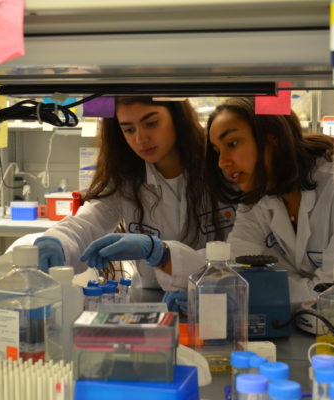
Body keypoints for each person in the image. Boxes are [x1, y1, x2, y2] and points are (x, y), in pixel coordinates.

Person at [202, 97, 334, 304]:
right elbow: (234, 263)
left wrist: (260, 288)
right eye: (218, 150)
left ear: (272, 137)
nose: (222, 162)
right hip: (307, 314)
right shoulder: (259, 194)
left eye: (232, 144)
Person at [35, 97, 234, 302]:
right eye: (129, 129)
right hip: (152, 299)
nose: (140, 139)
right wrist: (58, 241)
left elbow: (242, 250)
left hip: (222, 297)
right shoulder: (126, 177)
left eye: (151, 123)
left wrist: (163, 254)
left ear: (177, 117)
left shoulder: (222, 164)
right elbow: (89, 222)